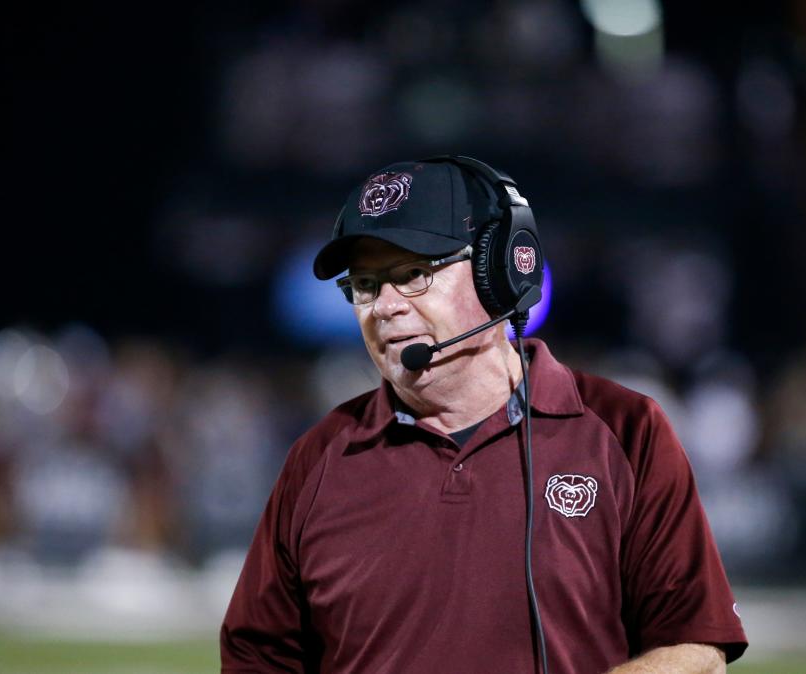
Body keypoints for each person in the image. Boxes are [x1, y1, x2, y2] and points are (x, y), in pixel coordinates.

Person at [220, 157, 747, 673]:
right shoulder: (321, 456)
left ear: (498, 272)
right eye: (366, 284)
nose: (384, 306)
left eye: (413, 273)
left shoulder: (627, 430)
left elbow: (696, 649)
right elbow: (256, 659)